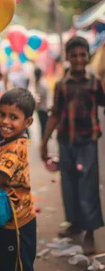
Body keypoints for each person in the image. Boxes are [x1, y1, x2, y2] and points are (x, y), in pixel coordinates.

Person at [41, 36, 104, 255]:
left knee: (87, 186)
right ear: (67, 57)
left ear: (88, 57)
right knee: (69, 185)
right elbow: (55, 115)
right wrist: (44, 141)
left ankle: (90, 232)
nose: (78, 59)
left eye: (82, 55)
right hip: (66, 142)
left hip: (87, 143)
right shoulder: (61, 85)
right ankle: (75, 224)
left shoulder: (95, 83)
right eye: (74, 55)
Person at [0, 88, 36, 271]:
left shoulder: (13, 151)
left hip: (17, 222)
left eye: (13, 117)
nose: (5, 122)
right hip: (18, 215)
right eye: (2, 114)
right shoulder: (14, 141)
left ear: (28, 122)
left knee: (16, 263)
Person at [34, 67, 48, 138]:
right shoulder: (39, 84)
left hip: (42, 108)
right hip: (42, 108)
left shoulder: (40, 85)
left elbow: (39, 98)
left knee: (43, 126)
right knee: (43, 126)